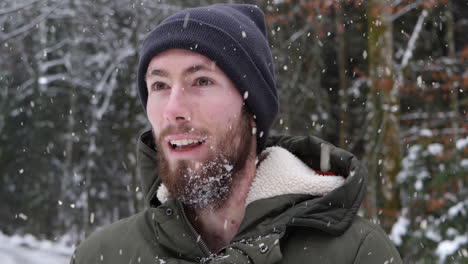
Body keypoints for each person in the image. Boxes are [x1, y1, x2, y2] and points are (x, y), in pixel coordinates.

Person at [71, 3, 402, 264]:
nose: (173, 108)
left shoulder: (355, 254)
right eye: (159, 85)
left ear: (251, 110)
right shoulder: (103, 255)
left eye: (201, 81)